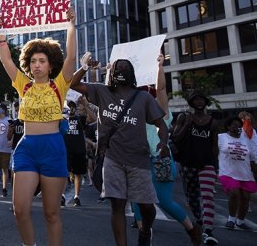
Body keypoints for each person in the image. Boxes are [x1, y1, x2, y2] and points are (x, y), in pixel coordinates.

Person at [0, 8, 77, 246]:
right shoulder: (23, 85)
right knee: (19, 210)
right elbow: (5, 59)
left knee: (51, 213)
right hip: (26, 148)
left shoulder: (59, 84)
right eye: (33, 61)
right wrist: (1, 30)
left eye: (42, 61)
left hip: (53, 148)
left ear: (50, 65)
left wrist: (71, 26)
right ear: (28, 65)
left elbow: (71, 58)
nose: (37, 65)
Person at [71, 57, 169, 246]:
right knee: (117, 205)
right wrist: (84, 66)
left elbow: (161, 124)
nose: (122, 70)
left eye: (125, 68)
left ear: (132, 74)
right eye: (118, 68)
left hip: (138, 159)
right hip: (111, 157)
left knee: (147, 207)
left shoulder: (144, 97)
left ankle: (145, 231)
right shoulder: (102, 91)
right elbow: (73, 83)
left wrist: (163, 142)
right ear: (111, 73)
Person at [131, 54, 202, 245]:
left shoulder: (161, 112)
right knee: (136, 200)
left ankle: (192, 230)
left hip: (159, 160)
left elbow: (161, 88)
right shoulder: (132, 114)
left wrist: (160, 67)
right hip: (137, 161)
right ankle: (144, 235)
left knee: (163, 200)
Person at [171, 90, 220, 246]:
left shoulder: (212, 122)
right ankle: (200, 219)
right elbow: (176, 137)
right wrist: (187, 123)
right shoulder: (184, 117)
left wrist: (215, 165)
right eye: (196, 100)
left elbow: (214, 145)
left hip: (206, 163)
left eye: (201, 99)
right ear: (191, 103)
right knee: (192, 197)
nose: (199, 102)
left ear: (206, 102)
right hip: (188, 162)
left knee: (207, 196)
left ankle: (208, 231)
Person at [217, 116, 257, 230]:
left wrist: (255, 167)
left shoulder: (246, 139)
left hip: (245, 172)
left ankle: (240, 221)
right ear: (228, 126)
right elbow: (214, 150)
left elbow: (253, 153)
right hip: (227, 171)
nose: (237, 127)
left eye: (239, 125)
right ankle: (231, 219)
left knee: (245, 196)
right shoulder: (221, 137)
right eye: (234, 125)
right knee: (234, 193)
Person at [63, 94, 96, 207]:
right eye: (69, 107)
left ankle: (76, 196)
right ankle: (62, 195)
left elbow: (93, 118)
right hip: (66, 150)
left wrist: (85, 105)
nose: (71, 109)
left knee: (78, 173)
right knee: (64, 173)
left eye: (73, 107)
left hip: (79, 150)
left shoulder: (79, 119)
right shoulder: (62, 119)